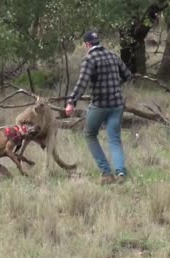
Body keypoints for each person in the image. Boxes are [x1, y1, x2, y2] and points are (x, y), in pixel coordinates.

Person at [65, 30, 132, 185]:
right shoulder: (113, 56)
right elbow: (127, 75)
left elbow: (82, 83)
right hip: (117, 104)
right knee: (114, 139)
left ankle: (106, 173)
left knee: (89, 134)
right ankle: (121, 173)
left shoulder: (90, 58)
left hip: (100, 105)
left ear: (87, 44)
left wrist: (71, 102)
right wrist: (114, 85)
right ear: (98, 42)